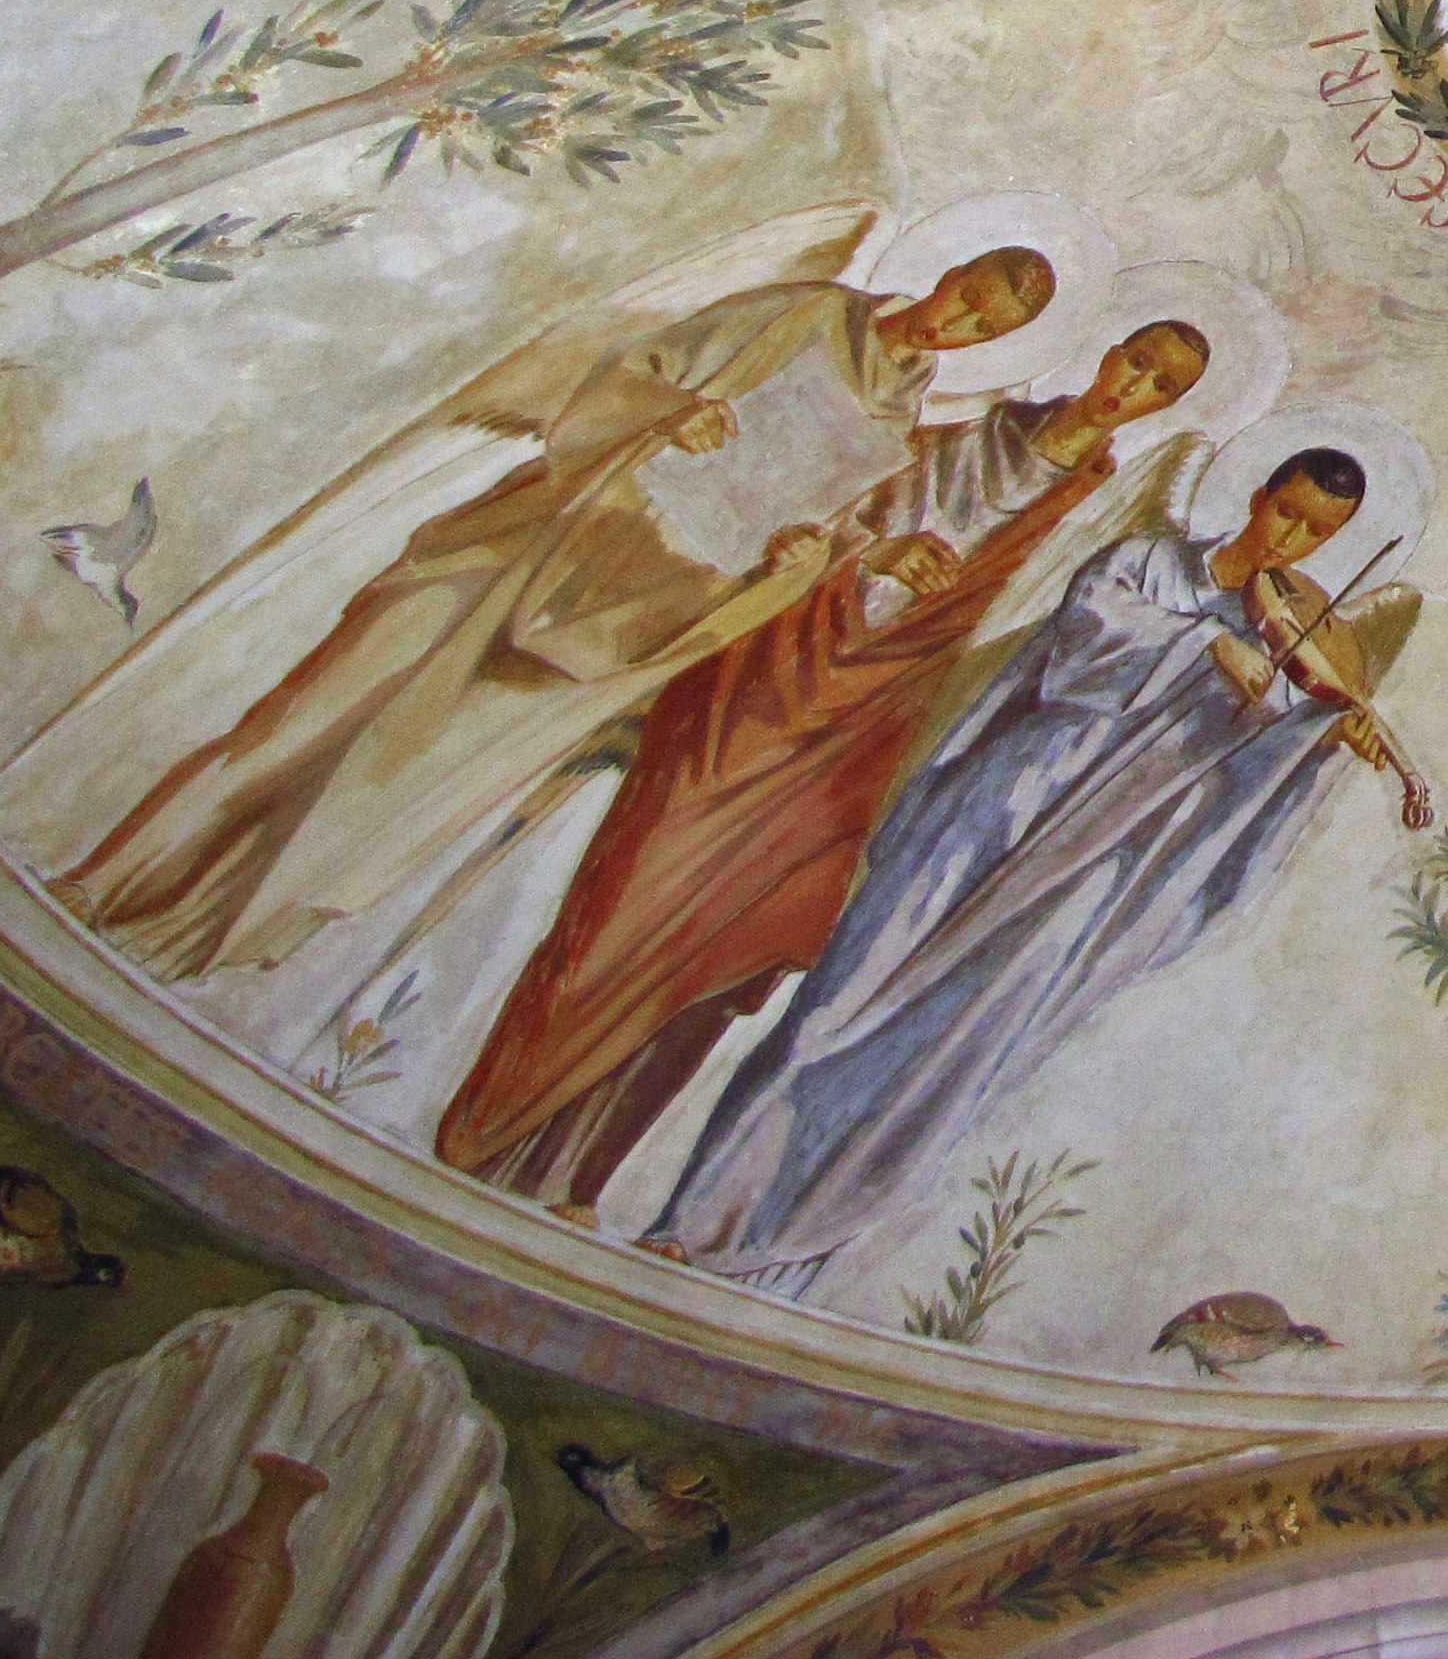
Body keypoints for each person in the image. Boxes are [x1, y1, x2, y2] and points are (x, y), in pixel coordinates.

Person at [8, 245, 1054, 983]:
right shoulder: (802, 313)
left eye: (989, 327)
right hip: (536, 543)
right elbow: (628, 371)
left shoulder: (897, 423)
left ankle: (202, 941)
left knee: (386, 780)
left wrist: (806, 556)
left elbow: (822, 533)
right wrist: (669, 414)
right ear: (950, 273)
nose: (962, 323)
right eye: (971, 296)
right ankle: (106, 888)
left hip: (639, 610)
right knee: (312, 715)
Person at [430, 321, 1211, 1221]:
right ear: (1108, 352)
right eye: (1136, 360)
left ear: (1167, 408)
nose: (1134, 385)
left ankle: (571, 1179)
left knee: (744, 941)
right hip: (766, 682)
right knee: (624, 908)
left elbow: (1062, 641)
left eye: (1159, 385)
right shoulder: (962, 425)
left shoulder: (1101, 512)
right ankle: (487, 1131)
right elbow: (808, 501)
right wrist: (870, 555)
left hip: (872, 731)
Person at [643, 445, 1429, 1288]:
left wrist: (1315, 732)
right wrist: (1203, 649)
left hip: (1094, 864)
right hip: (999, 810)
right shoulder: (1146, 564)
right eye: (1288, 511)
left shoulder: (1301, 632)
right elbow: (1079, 650)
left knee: (960, 1043)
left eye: (1317, 533)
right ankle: (695, 1218)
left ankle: (787, 1263)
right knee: (844, 1000)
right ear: (1257, 492)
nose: (1290, 541)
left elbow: (1243, 774)